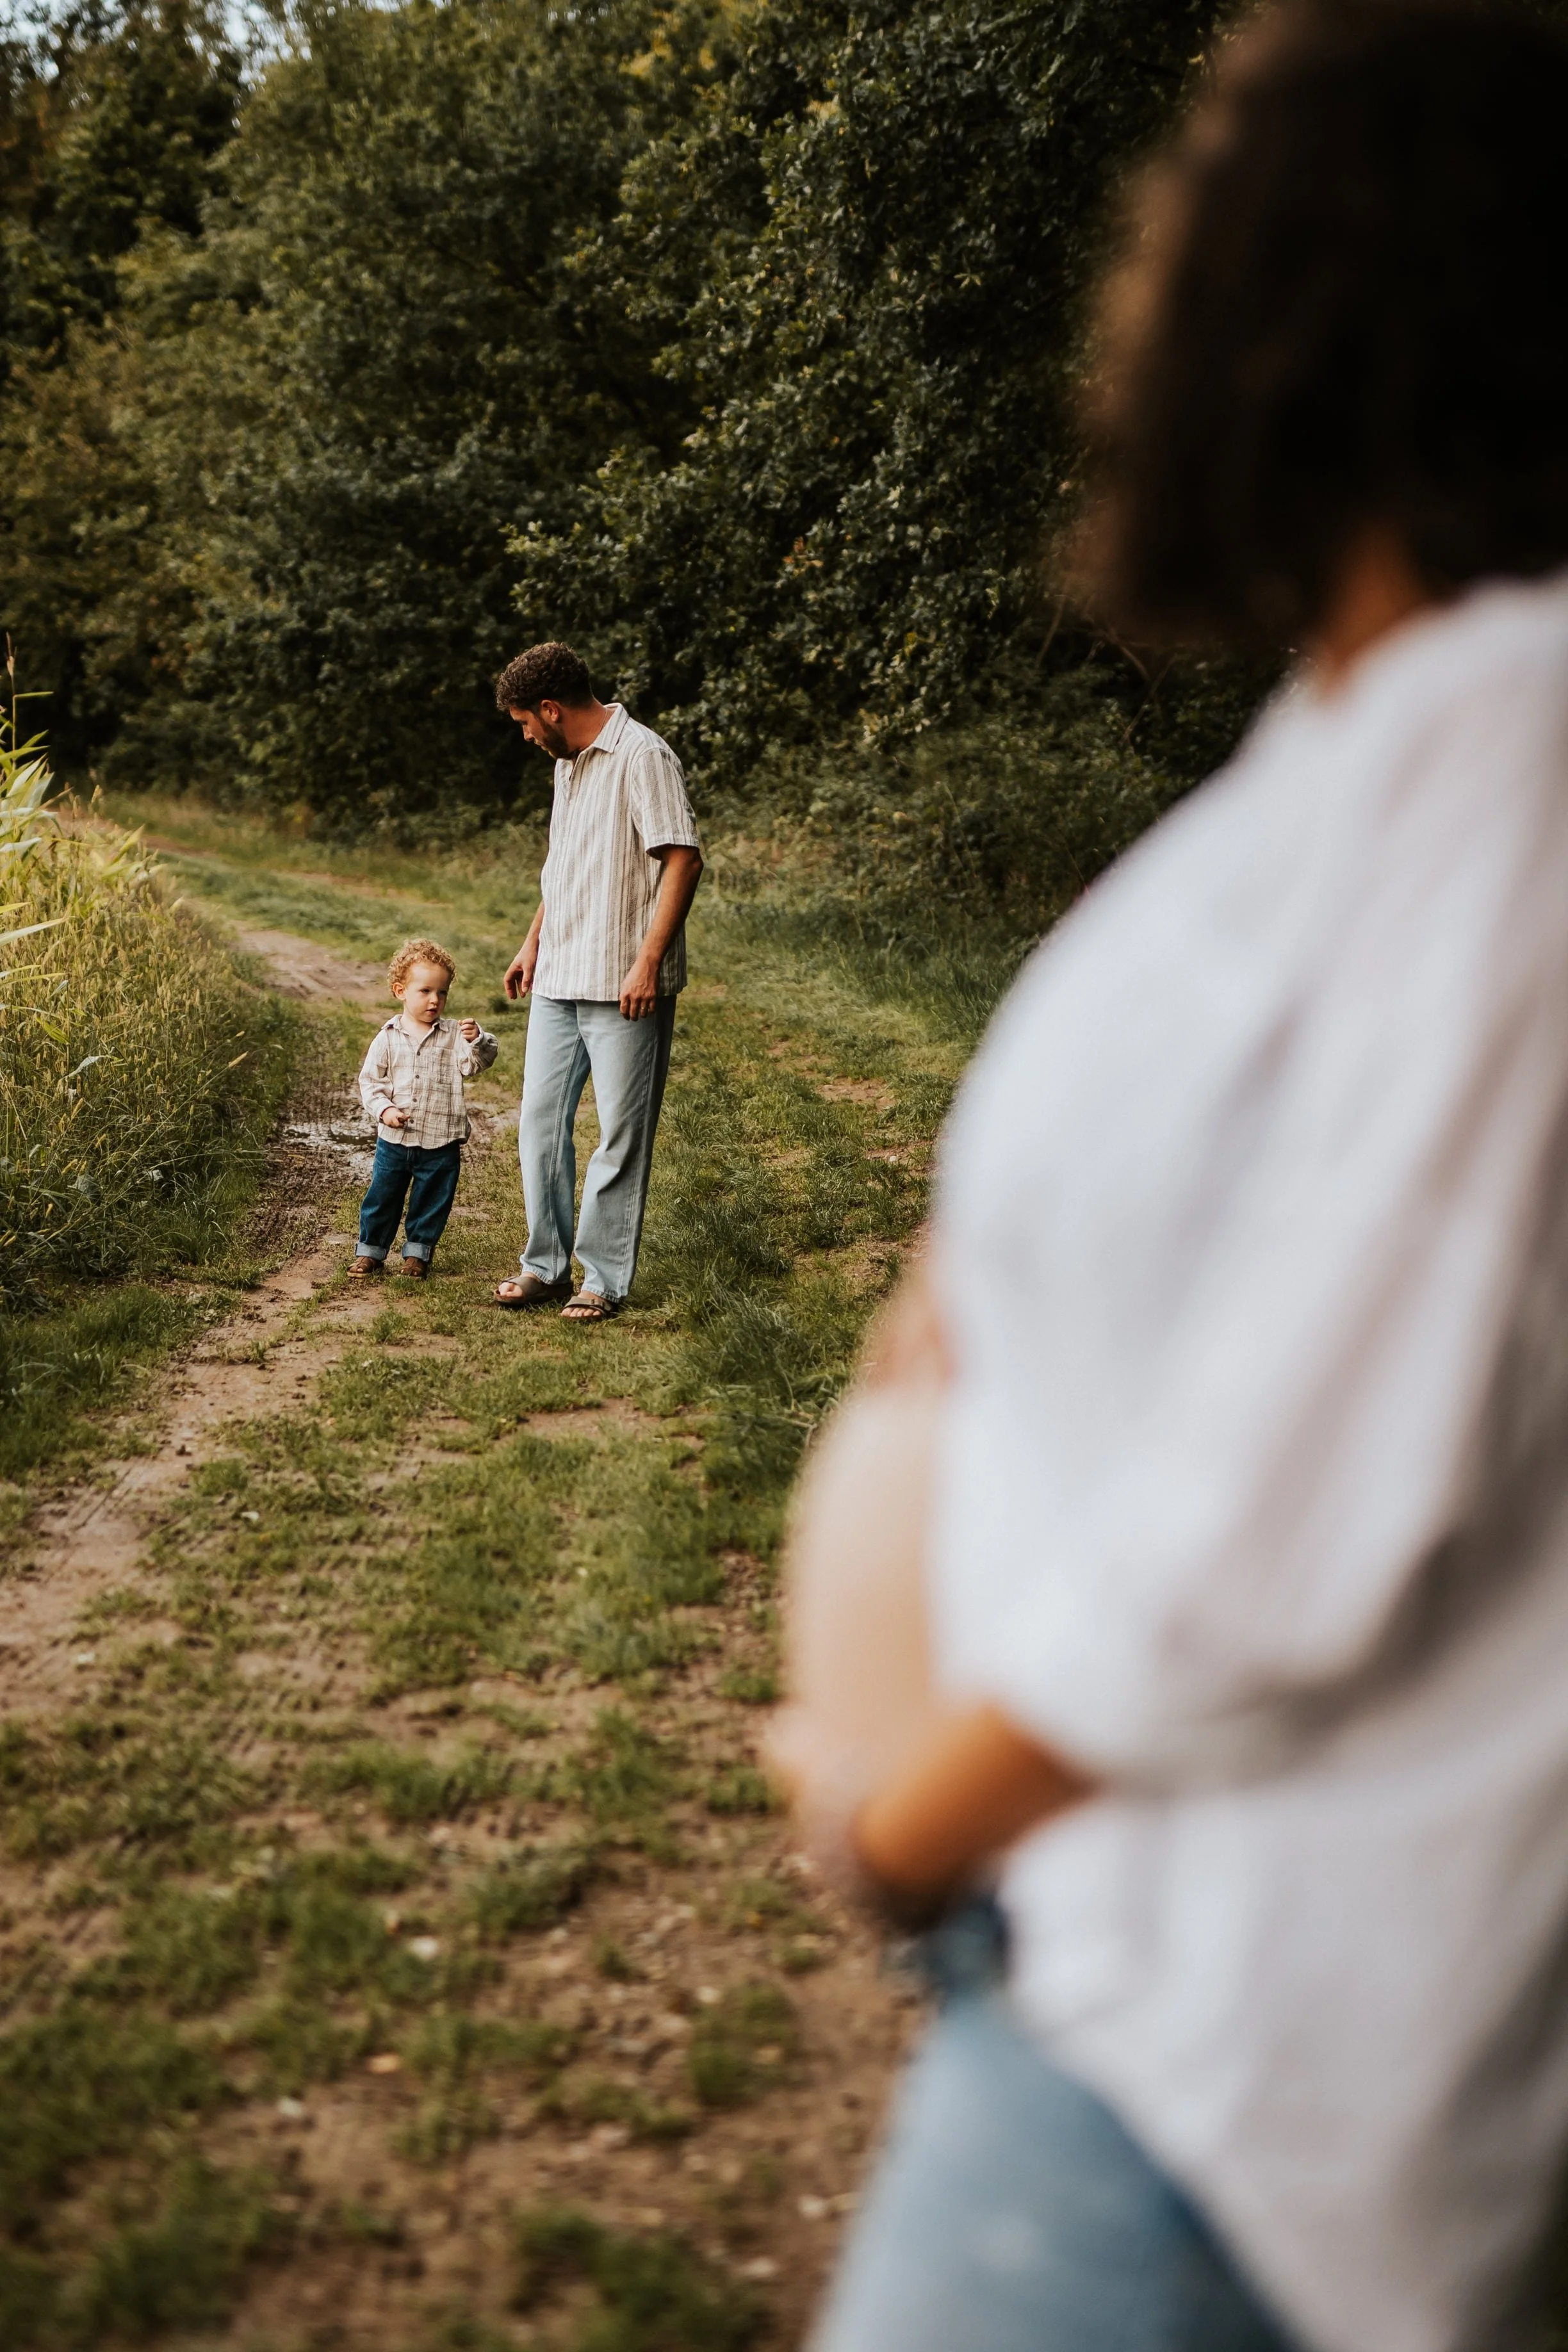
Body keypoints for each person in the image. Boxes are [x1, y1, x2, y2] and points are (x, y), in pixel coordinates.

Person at [770, 5, 1568, 2350]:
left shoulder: (1514, 734)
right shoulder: (1354, 735)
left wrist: (899, 1820)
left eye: (1187, 208)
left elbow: (1295, 1506)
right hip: (1108, 1962)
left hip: (1214, 2053)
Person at [491, 641, 702, 1325]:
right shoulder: (568, 766)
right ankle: (544, 1266)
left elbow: (682, 860)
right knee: (540, 1124)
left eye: (526, 722)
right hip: (560, 974)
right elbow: (565, 864)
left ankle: (602, 1279)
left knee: (620, 1133)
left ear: (551, 709)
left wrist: (647, 961)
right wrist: (533, 941)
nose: (525, 735)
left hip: (623, 983)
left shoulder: (644, 756)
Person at [353, 937, 497, 1280]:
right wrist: (385, 1110)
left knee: (432, 1200)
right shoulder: (387, 1037)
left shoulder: (453, 1035)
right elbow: (370, 1083)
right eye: (425, 991)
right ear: (400, 991)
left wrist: (477, 1039)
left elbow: (476, 1064)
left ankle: (417, 1254)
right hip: (394, 1140)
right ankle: (370, 1252)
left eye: (442, 993)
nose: (435, 1000)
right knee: (383, 1196)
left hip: (441, 1140)